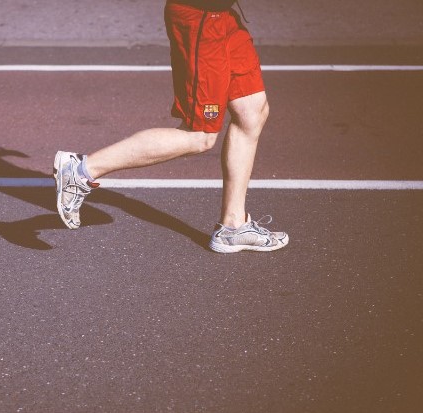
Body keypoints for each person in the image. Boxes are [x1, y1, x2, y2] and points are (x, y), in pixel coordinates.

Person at [53, 0, 289, 253]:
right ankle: (81, 170)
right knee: (200, 135)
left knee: (252, 111)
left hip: (223, 16)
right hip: (201, 16)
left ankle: (233, 227)